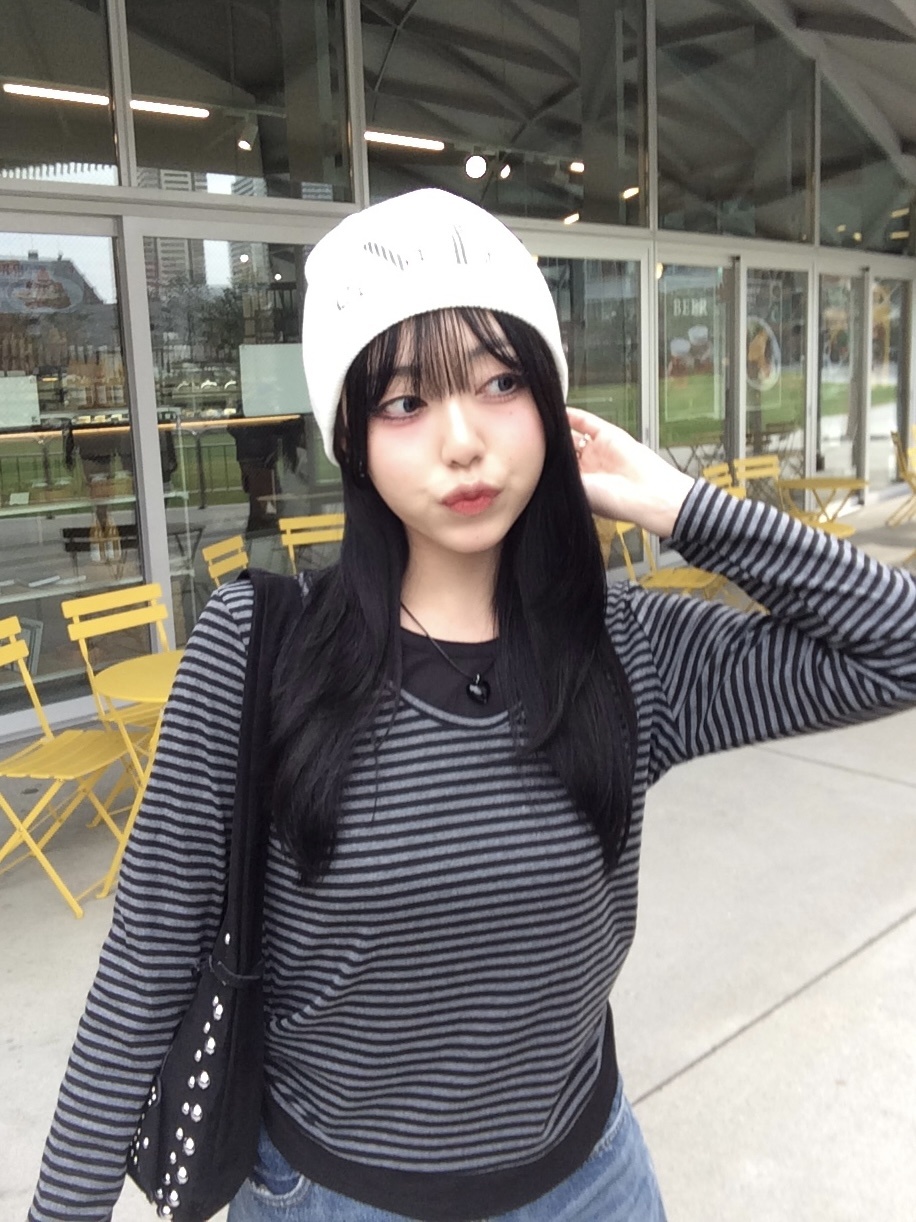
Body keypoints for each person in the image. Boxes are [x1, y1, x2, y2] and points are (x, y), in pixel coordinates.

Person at [29, 190, 916, 1222]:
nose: (463, 441)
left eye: (501, 383)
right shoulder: (261, 650)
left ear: (552, 404)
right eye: (406, 402)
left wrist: (673, 501)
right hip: (333, 1198)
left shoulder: (628, 651)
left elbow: (897, 645)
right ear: (352, 438)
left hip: (590, 1187)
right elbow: (143, 965)